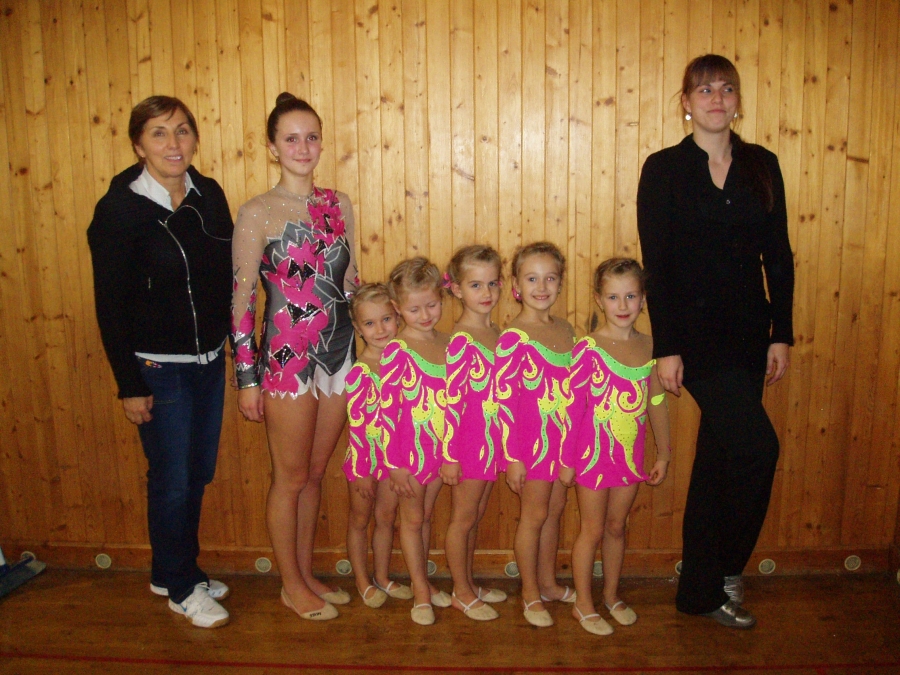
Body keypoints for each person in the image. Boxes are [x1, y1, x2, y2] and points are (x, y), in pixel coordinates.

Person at [636, 54, 794, 629]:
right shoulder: (663, 169)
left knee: (719, 462)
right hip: (695, 340)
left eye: (726, 89)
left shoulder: (762, 165)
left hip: (751, 334)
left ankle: (697, 592)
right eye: (704, 90)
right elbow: (658, 263)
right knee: (758, 449)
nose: (716, 99)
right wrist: (666, 347)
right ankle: (726, 571)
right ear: (686, 102)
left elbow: (778, 255)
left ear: (737, 100)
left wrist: (782, 333)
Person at [88, 96, 234, 628]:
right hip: (157, 368)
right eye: (158, 133)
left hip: (209, 360)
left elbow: (224, 277)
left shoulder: (208, 194)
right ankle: (181, 587)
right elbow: (109, 305)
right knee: (172, 479)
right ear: (138, 145)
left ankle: (172, 570)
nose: (174, 144)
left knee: (196, 473)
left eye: (182, 131)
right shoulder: (119, 210)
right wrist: (129, 384)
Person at [231, 92, 358, 621]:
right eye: (291, 138)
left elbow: (349, 284)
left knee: (315, 471)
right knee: (290, 478)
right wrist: (246, 378)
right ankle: (290, 584)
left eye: (311, 137)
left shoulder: (339, 203)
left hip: (340, 353)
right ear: (272, 147)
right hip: (286, 359)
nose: (303, 148)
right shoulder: (257, 211)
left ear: (321, 142)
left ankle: (305, 575)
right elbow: (242, 300)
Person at [563, 258, 671, 636]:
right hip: (591, 458)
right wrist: (567, 461)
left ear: (643, 299)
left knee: (616, 527)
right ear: (599, 299)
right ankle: (583, 603)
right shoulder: (588, 348)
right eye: (613, 297)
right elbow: (573, 410)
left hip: (628, 456)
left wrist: (663, 453)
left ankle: (610, 595)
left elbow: (656, 401)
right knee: (591, 529)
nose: (622, 305)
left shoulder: (650, 346)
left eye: (630, 296)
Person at [494, 241, 576, 628]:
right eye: (531, 279)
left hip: (561, 441)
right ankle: (529, 591)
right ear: (515, 285)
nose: (541, 287)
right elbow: (504, 401)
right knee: (534, 515)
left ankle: (548, 583)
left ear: (560, 283)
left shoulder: (566, 329)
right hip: (530, 445)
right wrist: (512, 457)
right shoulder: (513, 337)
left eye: (550, 278)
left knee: (555, 512)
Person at [381, 257, 452, 625]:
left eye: (432, 305)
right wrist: (395, 465)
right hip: (408, 456)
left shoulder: (449, 344)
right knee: (411, 520)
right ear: (397, 308)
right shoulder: (397, 351)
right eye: (414, 309)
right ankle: (420, 592)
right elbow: (387, 413)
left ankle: (422, 579)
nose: (425, 315)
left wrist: (452, 452)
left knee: (424, 517)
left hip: (439, 451)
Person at [441, 246, 506, 622]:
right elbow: (452, 402)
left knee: (476, 514)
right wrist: (450, 455)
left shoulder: (495, 331)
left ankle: (467, 582)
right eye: (476, 285)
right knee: (463, 518)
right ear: (457, 289)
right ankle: (461, 592)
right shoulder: (462, 339)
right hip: (468, 443)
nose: (486, 293)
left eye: (492, 283)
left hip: (491, 440)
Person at [342, 284, 412, 607]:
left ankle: (382, 576)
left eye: (386, 319)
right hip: (365, 460)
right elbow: (357, 428)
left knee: (386, 518)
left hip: (394, 460)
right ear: (358, 328)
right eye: (370, 323)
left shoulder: (405, 363)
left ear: (397, 317)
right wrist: (361, 471)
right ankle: (362, 580)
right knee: (360, 520)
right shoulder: (360, 372)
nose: (380, 329)